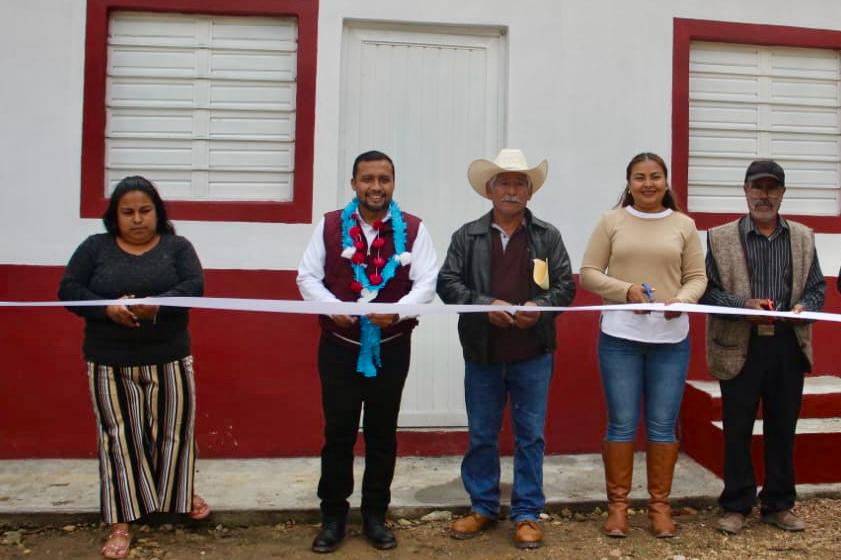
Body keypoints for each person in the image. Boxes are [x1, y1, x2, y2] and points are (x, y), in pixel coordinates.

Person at [58, 176, 208, 559]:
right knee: (119, 439)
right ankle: (121, 521)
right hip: (109, 362)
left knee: (174, 432)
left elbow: (194, 286)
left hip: (170, 358)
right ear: (115, 216)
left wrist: (160, 303)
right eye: (128, 212)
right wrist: (106, 308)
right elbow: (69, 290)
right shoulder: (95, 248)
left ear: (158, 212)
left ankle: (177, 496)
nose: (137, 219)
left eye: (145, 211)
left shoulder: (177, 247)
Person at [296, 150, 437, 553]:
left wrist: (398, 310)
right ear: (354, 184)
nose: (376, 187)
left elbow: (426, 282)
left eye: (383, 179)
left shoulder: (413, 229)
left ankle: (375, 516)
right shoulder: (329, 226)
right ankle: (333, 518)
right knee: (338, 434)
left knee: (382, 434)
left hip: (391, 348)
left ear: (393, 184)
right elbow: (307, 276)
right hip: (339, 348)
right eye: (367, 179)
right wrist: (332, 306)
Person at [437, 148, 575, 549]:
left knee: (530, 436)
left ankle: (527, 513)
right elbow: (447, 284)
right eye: (504, 183)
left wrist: (540, 307)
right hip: (483, 353)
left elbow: (565, 286)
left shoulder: (547, 236)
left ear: (530, 193)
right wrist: (484, 305)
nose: (511, 191)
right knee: (482, 433)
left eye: (519, 184)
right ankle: (482, 506)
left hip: (533, 353)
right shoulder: (466, 236)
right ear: (489, 190)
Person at [580, 152, 707, 538]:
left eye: (655, 176)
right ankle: (618, 508)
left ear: (666, 182)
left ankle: (659, 507)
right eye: (640, 177)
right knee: (621, 423)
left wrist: (683, 300)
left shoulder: (684, 225)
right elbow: (589, 274)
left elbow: (697, 277)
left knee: (663, 425)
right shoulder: (611, 221)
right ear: (629, 183)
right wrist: (626, 290)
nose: (648, 184)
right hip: (620, 338)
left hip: (670, 340)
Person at [701, 159, 825, 535]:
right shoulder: (719, 238)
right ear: (745, 191)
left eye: (772, 188)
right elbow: (707, 291)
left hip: (788, 345)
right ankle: (736, 504)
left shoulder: (803, 237)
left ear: (783, 193)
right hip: (739, 344)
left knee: (782, 428)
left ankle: (778, 504)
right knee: (737, 428)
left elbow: (817, 288)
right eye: (757, 187)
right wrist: (744, 306)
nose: (764, 195)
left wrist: (805, 308)